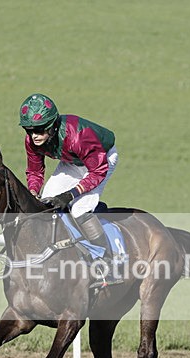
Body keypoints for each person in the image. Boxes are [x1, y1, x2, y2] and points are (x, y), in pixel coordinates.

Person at [18, 93, 121, 286]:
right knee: (46, 202)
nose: (34, 136)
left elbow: (98, 171)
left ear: (53, 125)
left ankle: (108, 262)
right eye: (29, 130)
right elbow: (35, 170)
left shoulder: (78, 136)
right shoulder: (31, 141)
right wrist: (33, 192)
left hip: (102, 160)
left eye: (40, 130)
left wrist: (71, 194)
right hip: (72, 160)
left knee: (79, 208)